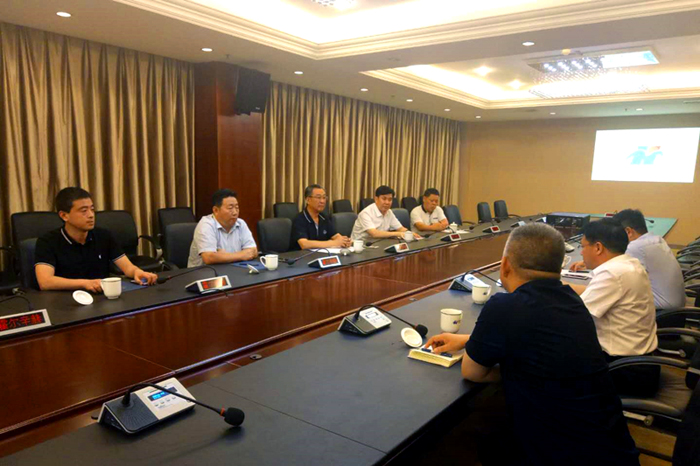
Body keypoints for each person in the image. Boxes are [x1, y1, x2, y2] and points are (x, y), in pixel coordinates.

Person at [425, 223, 639, 466]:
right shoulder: (574, 302)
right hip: (614, 449)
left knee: (488, 446)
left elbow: (472, 372)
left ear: (505, 265)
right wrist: (470, 340)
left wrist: (512, 368)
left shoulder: (504, 307)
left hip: (562, 455)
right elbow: (538, 345)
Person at [567, 219, 659, 397]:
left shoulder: (612, 274)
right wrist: (559, 285)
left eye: (583, 246)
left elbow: (575, 317)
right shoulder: (628, 264)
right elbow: (592, 293)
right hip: (641, 365)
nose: (581, 252)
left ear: (598, 247)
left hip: (624, 371)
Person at [35, 187, 158, 292]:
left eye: (92, 209)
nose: (91, 215)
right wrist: (85, 283)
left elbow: (127, 268)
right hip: (66, 301)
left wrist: (137, 272)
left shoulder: (103, 236)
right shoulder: (47, 241)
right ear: (64, 215)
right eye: (84, 211)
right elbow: (45, 282)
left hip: (101, 298)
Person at [187, 189, 257, 268]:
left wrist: (223, 256)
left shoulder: (241, 223)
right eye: (230, 208)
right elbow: (209, 258)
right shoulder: (206, 225)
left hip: (233, 269)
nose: (235, 212)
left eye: (237, 208)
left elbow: (253, 251)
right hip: (204, 272)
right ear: (216, 210)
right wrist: (242, 255)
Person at [291, 184, 351, 251]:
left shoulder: (323, 217)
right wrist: (333, 243)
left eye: (324, 198)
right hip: (301, 255)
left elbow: (336, 236)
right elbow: (304, 244)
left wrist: (344, 241)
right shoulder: (299, 219)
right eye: (318, 197)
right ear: (308, 200)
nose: (322, 201)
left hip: (320, 254)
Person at [351, 185, 421, 242]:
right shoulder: (366, 213)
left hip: (378, 244)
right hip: (360, 246)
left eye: (390, 199)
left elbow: (400, 228)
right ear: (376, 199)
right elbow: (374, 233)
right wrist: (399, 234)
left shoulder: (389, 212)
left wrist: (410, 233)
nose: (387, 202)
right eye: (384, 199)